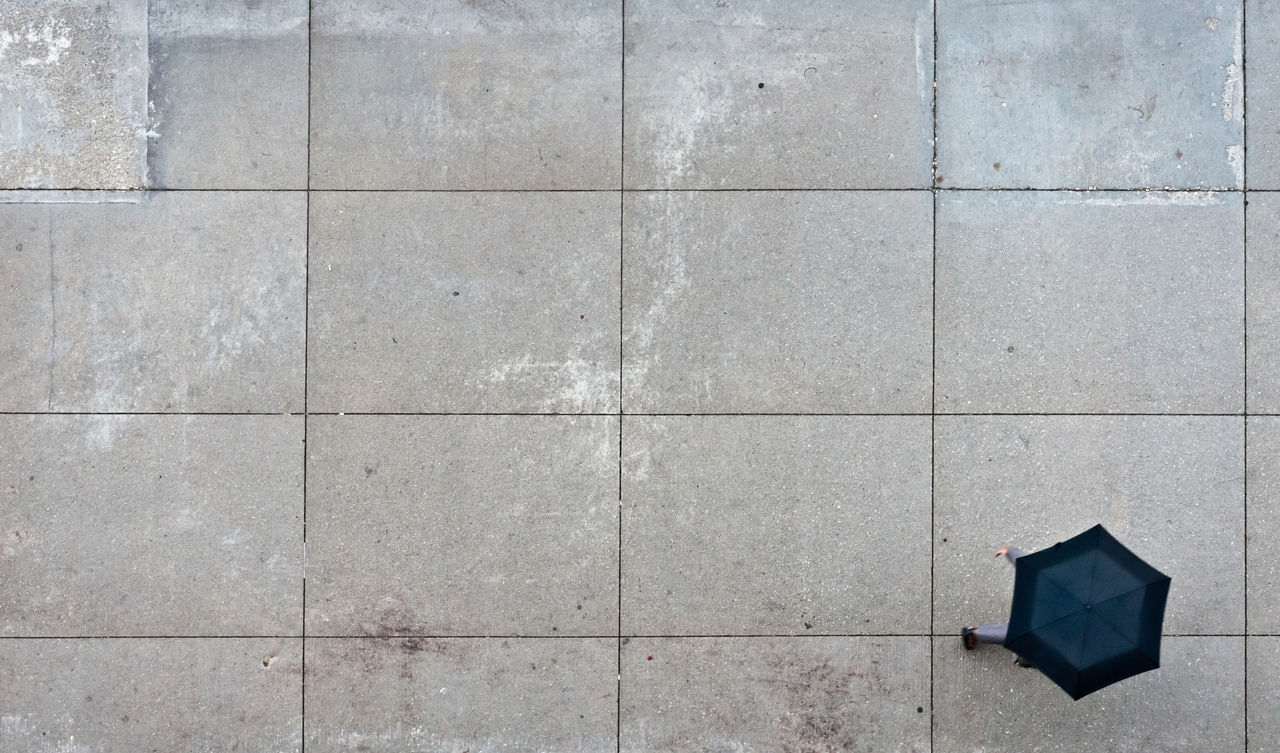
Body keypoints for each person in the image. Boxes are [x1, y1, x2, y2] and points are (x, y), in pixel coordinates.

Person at [962, 545, 1034, 667]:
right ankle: (976, 633)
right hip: (1035, 616)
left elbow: (1034, 573)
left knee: (1018, 631)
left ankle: (975, 633)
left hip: (1035, 601)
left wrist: (1013, 553)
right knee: (1021, 633)